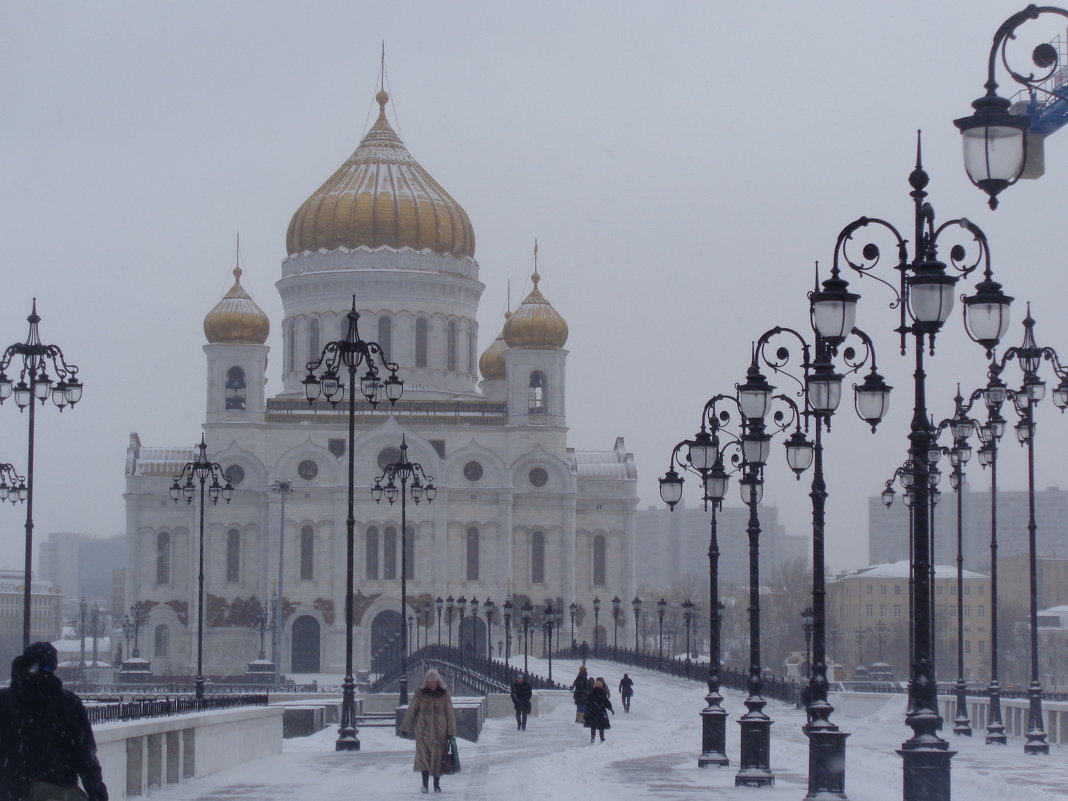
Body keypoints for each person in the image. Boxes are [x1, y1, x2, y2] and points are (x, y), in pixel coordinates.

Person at [0, 642, 109, 801]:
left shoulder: (5, 703)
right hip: (58, 790)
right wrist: (97, 793)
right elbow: (85, 757)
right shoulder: (68, 704)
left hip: (10, 791)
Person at [400, 669, 457, 794]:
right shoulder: (420, 693)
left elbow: (450, 712)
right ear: (426, 682)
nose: (432, 684)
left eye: (434, 682)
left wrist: (451, 731)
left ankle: (436, 785)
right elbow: (412, 709)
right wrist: (405, 727)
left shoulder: (444, 694)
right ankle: (424, 784)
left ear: (438, 682)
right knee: (423, 759)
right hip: (423, 731)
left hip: (439, 731)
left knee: (437, 758)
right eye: (430, 682)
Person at [583, 676, 614, 742]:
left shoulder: (592, 693)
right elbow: (606, 702)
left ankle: (592, 738)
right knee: (601, 726)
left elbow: (588, 702)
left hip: (593, 712)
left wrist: (587, 710)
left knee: (593, 726)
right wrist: (610, 709)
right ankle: (602, 738)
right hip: (601, 712)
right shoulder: (603, 693)